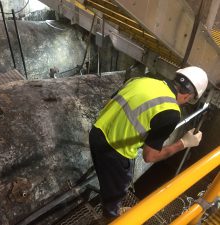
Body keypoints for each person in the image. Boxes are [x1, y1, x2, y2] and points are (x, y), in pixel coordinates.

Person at [89, 66, 208, 219]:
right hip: (115, 151)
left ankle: (110, 204)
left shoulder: (143, 80)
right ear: (188, 96)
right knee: (118, 189)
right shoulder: (171, 112)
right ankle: (112, 218)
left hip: (97, 132)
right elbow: (150, 156)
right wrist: (183, 143)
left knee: (108, 182)